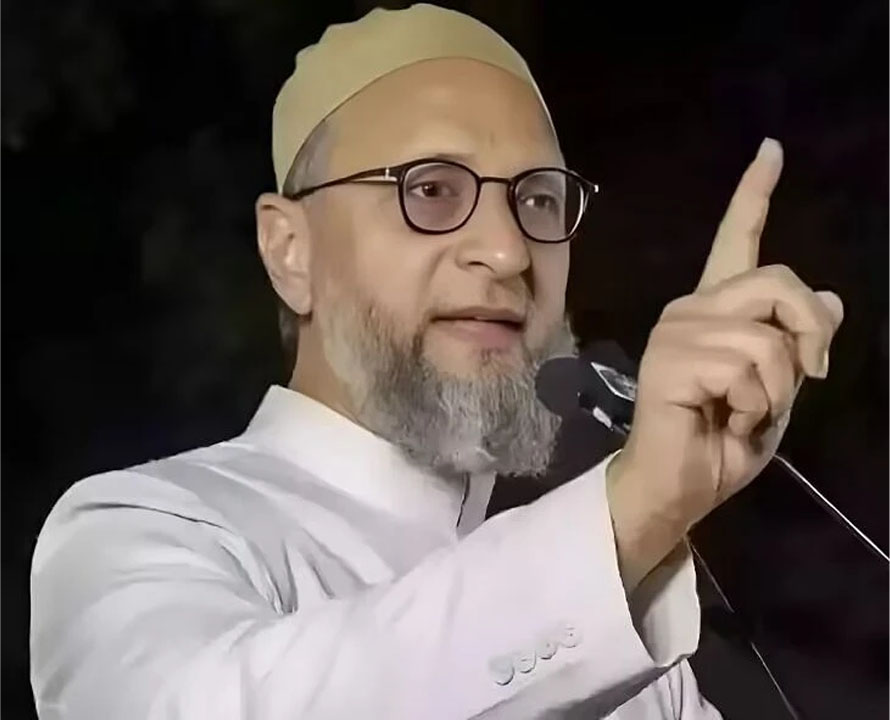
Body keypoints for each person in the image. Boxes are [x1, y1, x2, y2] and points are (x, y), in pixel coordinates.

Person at [29, 4, 843, 719]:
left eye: (537, 198)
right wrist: (633, 510)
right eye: (430, 190)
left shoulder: (624, 630)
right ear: (289, 250)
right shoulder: (143, 530)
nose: (507, 250)